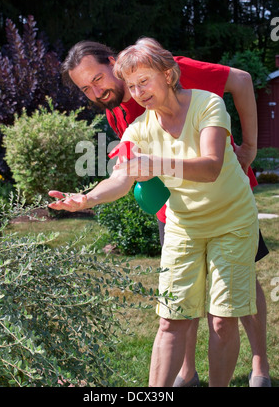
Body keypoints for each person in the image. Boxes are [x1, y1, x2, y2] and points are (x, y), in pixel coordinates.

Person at [49, 37, 260, 387]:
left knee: (222, 319)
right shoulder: (138, 129)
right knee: (170, 319)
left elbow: (210, 167)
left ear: (169, 75)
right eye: (131, 86)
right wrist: (86, 199)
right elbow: (120, 177)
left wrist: (154, 162)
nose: (138, 92)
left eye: (144, 81)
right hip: (184, 225)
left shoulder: (208, 104)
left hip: (231, 221)